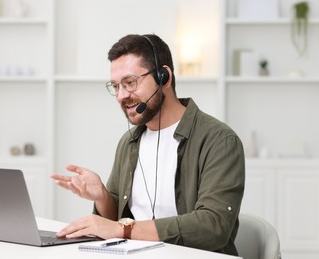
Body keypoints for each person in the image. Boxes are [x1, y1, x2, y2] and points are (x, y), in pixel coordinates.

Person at [50, 34, 245, 256]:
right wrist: (103, 197)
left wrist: (123, 229)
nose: (121, 96)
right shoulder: (130, 142)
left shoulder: (219, 140)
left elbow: (213, 226)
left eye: (130, 82)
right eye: (116, 86)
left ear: (164, 77)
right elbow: (115, 224)